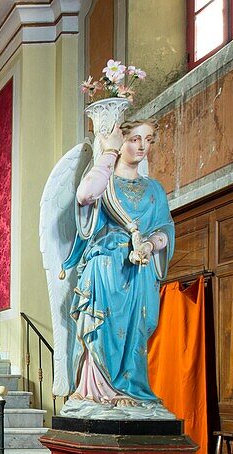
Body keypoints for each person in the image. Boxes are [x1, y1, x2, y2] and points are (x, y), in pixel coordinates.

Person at [61, 119, 173, 408]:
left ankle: (130, 388)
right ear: (121, 142)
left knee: (136, 329)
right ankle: (98, 392)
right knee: (101, 329)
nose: (142, 146)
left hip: (139, 269)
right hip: (106, 268)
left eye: (148, 139)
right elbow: (85, 195)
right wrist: (108, 152)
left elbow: (165, 229)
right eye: (134, 138)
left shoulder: (154, 189)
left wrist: (149, 244)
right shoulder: (105, 182)